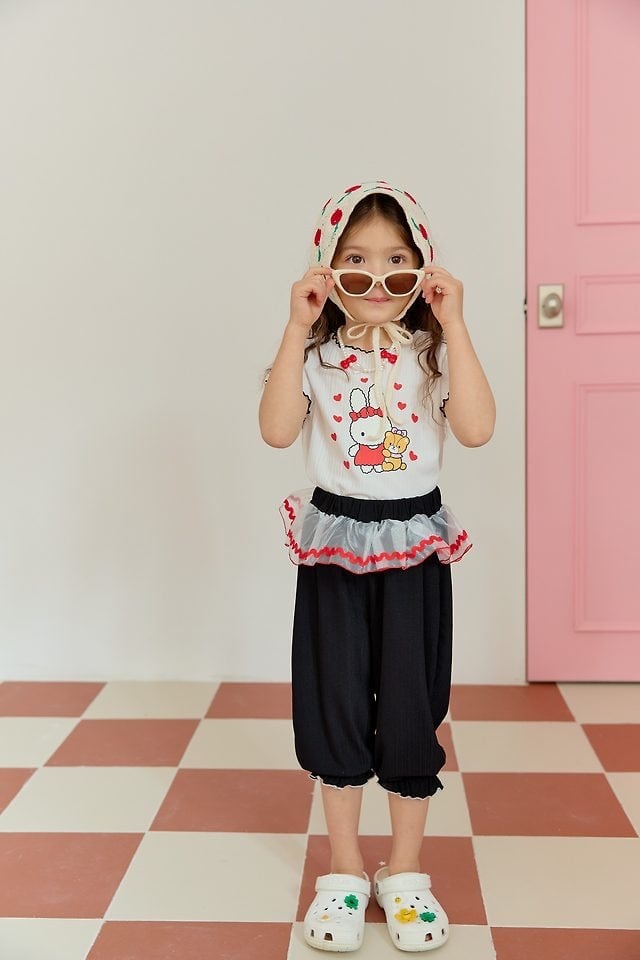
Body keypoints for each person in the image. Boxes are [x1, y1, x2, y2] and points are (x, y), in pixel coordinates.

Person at [259, 180, 495, 953]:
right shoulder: (316, 356)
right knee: (333, 699)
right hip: (335, 541)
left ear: (424, 266)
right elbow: (276, 431)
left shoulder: (434, 353)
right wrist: (295, 329)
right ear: (327, 270)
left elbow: (477, 429)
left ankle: (407, 871)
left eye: (398, 260)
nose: (377, 277)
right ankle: (344, 870)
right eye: (355, 260)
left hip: (414, 545)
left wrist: (454, 323)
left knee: (409, 704)